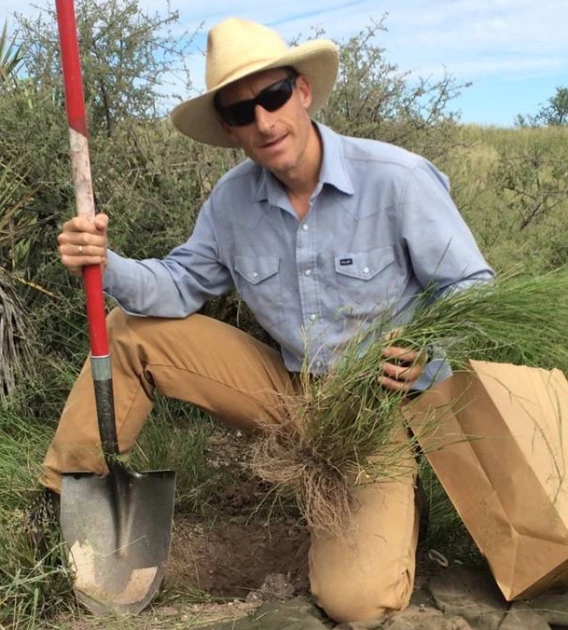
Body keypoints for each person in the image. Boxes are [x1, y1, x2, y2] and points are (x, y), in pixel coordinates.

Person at [43, 17, 493, 624]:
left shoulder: (398, 181)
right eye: (240, 112)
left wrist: (429, 348)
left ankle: (394, 502)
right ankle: (60, 509)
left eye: (273, 96)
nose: (263, 121)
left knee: (354, 602)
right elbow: (178, 287)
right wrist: (105, 261)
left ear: (302, 90)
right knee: (131, 331)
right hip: (287, 390)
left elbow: (474, 290)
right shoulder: (232, 201)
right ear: (229, 129)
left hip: (373, 409)